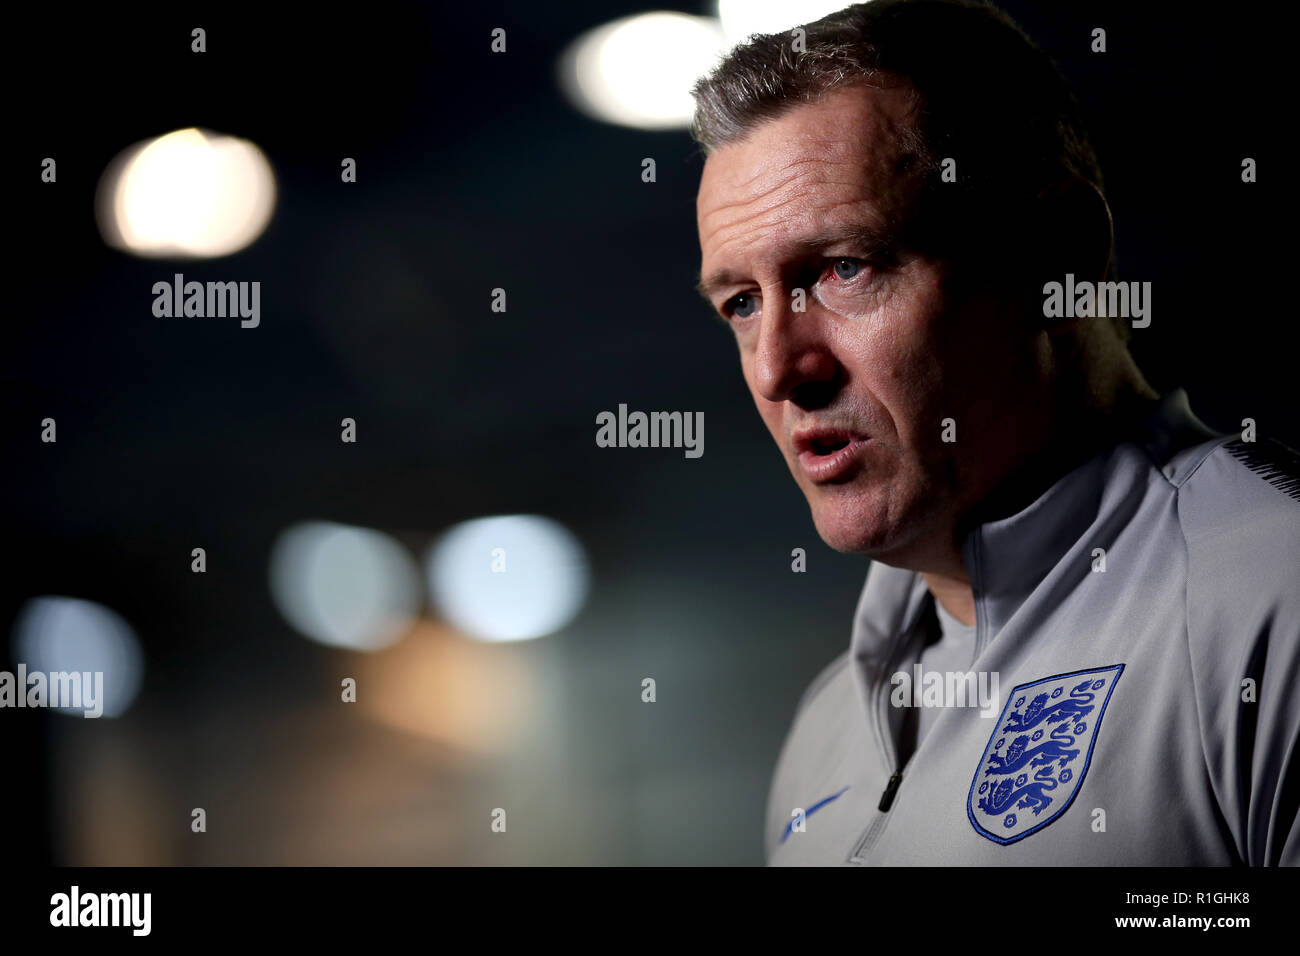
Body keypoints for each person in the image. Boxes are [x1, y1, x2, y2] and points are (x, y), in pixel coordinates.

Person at [691, 0, 1299, 865]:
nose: (777, 370)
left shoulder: (1273, 602)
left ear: (1059, 259)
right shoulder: (824, 730)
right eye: (742, 304)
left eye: (843, 268)